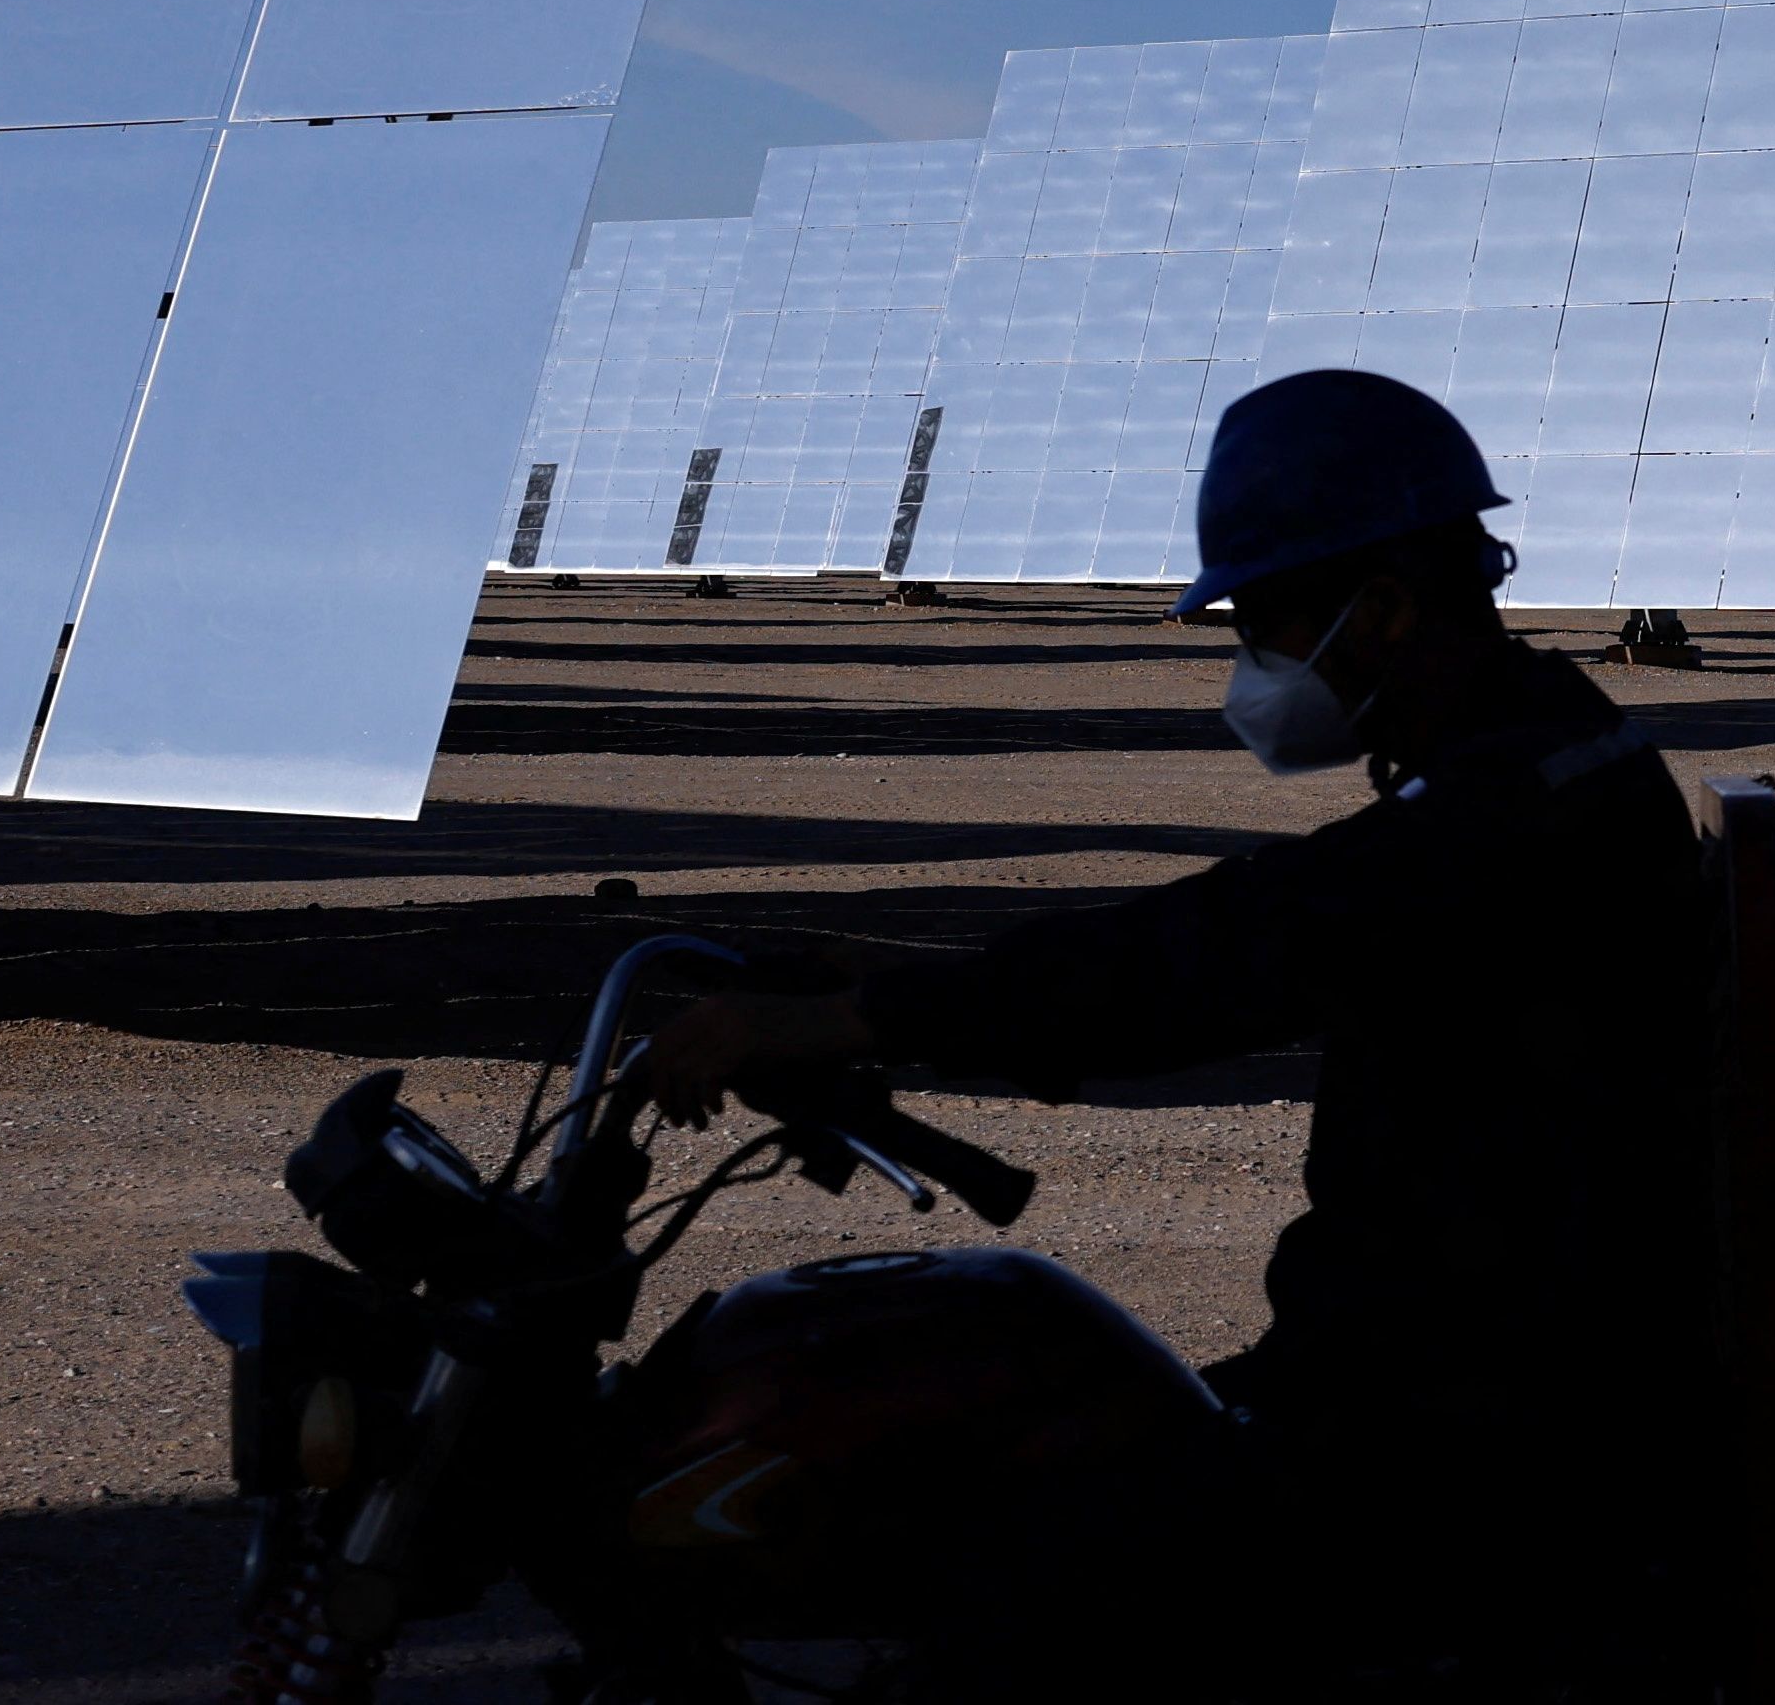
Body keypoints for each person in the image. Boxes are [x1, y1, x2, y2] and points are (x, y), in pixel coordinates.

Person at [637, 368, 1714, 1682]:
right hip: (1463, 1376)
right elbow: (1262, 930)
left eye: (1263, 625)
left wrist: (854, 1017)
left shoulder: (1499, 829)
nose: (1252, 667)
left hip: (1459, 1432)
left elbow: (1198, 962)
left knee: (1018, 1591)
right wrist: (859, 1000)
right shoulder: (1556, 753)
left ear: (1378, 610)